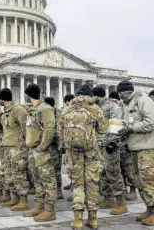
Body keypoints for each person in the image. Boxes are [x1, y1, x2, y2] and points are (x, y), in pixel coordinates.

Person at [117, 80, 154, 226]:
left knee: (149, 180)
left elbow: (152, 121)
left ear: (127, 91)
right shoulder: (126, 105)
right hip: (135, 148)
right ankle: (150, 209)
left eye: (121, 93)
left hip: (148, 147)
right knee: (140, 182)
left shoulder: (143, 100)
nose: (120, 97)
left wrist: (130, 128)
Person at [60, 84, 108, 229]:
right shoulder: (95, 108)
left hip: (73, 153)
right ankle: (93, 219)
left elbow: (59, 130)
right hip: (92, 151)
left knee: (77, 184)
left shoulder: (67, 108)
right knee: (92, 183)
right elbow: (104, 129)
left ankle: (78, 220)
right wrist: (95, 142)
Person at [22, 84, 57, 222]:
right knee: (37, 179)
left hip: (41, 150)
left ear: (29, 95)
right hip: (32, 150)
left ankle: (50, 210)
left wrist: (42, 147)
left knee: (48, 180)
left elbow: (49, 129)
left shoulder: (46, 108)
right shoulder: (33, 109)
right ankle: (39, 205)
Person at [93, 86, 128, 215]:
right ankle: (108, 197)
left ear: (96, 96)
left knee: (114, 173)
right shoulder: (98, 107)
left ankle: (121, 201)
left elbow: (116, 126)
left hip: (110, 145)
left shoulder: (112, 107)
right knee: (103, 173)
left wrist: (112, 143)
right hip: (101, 145)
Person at [0, 88, 30, 212]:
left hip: (17, 147)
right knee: (9, 174)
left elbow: (25, 129)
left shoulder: (18, 109)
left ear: (3, 99)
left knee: (19, 174)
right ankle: (15, 197)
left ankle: (24, 200)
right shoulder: (5, 111)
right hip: (7, 147)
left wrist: (24, 145)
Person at [43, 96, 64, 200]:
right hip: (53, 145)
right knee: (53, 169)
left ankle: (57, 191)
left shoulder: (52, 114)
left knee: (54, 169)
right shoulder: (58, 113)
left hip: (53, 145)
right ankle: (55, 190)